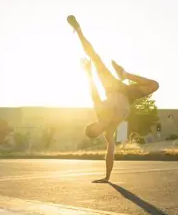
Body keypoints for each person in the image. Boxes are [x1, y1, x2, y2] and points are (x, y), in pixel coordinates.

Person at [67, 15, 159, 183]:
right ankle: (124, 75)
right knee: (154, 85)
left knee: (95, 58)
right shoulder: (109, 131)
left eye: (96, 129)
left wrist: (88, 72)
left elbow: (93, 92)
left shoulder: (99, 111)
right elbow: (110, 151)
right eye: (98, 133)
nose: (100, 130)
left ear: (93, 125)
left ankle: (79, 31)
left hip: (110, 87)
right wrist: (107, 177)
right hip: (128, 94)